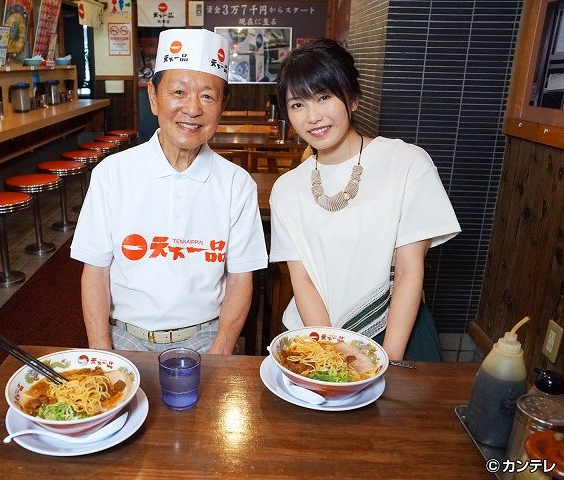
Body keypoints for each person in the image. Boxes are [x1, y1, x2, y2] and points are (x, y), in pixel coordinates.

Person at [71, 29, 268, 354]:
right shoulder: (112, 173)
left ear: (222, 105)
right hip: (124, 335)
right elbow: (95, 270)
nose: (192, 109)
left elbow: (240, 278)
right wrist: (102, 349)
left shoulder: (237, 183)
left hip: (206, 337)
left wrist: (220, 350)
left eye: (207, 96)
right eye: (179, 92)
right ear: (153, 97)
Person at [269, 39, 461, 361]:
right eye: (298, 104)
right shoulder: (287, 188)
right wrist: (335, 354)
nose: (313, 116)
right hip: (316, 335)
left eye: (324, 97)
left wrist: (387, 361)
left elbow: (409, 270)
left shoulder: (406, 163)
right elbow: (302, 279)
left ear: (353, 98)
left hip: (397, 332)